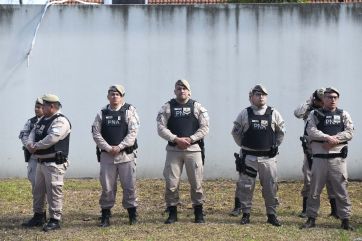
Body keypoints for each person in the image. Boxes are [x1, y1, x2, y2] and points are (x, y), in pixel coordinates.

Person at [231, 84, 285, 226]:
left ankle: (271, 215)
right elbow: (236, 132)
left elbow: (281, 132)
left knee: (270, 186)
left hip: (268, 158)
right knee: (246, 186)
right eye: (257, 94)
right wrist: (244, 146)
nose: (261, 97)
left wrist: (275, 146)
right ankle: (246, 214)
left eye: (263, 94)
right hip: (249, 157)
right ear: (251, 97)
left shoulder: (274, 113)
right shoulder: (244, 113)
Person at [157, 79, 209, 224]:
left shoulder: (197, 107)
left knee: (196, 182)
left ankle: (198, 212)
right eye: (179, 89)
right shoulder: (167, 107)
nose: (182, 91)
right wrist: (175, 139)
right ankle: (172, 213)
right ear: (175, 91)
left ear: (189, 91)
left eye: (184, 88)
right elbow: (161, 128)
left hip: (193, 150)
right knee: (171, 182)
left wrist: (191, 139)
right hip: (174, 150)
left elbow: (205, 127)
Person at [301, 87, 354, 230]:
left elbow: (349, 132)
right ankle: (311, 218)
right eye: (329, 97)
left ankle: (345, 220)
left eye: (335, 97)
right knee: (314, 190)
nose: (332, 100)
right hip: (319, 159)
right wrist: (326, 137)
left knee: (342, 190)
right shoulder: (315, 114)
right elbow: (310, 131)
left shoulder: (343, 114)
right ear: (323, 99)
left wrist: (334, 139)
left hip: (338, 160)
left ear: (338, 99)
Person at [92, 85, 139, 227]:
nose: (114, 96)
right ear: (108, 96)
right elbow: (96, 133)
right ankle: (105, 215)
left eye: (117, 94)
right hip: (107, 156)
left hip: (126, 155)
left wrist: (119, 147)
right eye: (112, 94)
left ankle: (132, 213)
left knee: (129, 185)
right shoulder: (102, 113)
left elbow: (133, 132)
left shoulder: (130, 111)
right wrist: (107, 147)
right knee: (107, 187)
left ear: (122, 96)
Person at [22, 94, 71, 232]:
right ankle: (38, 216)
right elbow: (32, 132)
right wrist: (30, 143)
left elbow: (52, 138)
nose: (41, 107)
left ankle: (55, 219)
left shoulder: (60, 121)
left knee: (53, 191)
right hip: (40, 162)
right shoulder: (43, 119)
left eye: (44, 105)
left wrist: (36, 146)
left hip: (53, 163)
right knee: (38, 191)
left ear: (52, 106)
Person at [294, 89, 337, 218]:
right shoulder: (310, 111)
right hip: (311, 149)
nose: (323, 102)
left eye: (325, 98)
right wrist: (309, 102)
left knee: (331, 179)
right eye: (319, 99)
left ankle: (335, 210)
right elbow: (297, 113)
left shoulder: (332, 111)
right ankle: (306, 209)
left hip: (327, 148)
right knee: (308, 177)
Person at [19, 98, 44, 197]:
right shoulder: (30, 121)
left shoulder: (50, 121)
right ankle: (39, 209)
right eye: (36, 107)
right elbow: (24, 135)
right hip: (33, 157)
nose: (37, 109)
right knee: (34, 181)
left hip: (46, 157)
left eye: (39, 107)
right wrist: (28, 146)